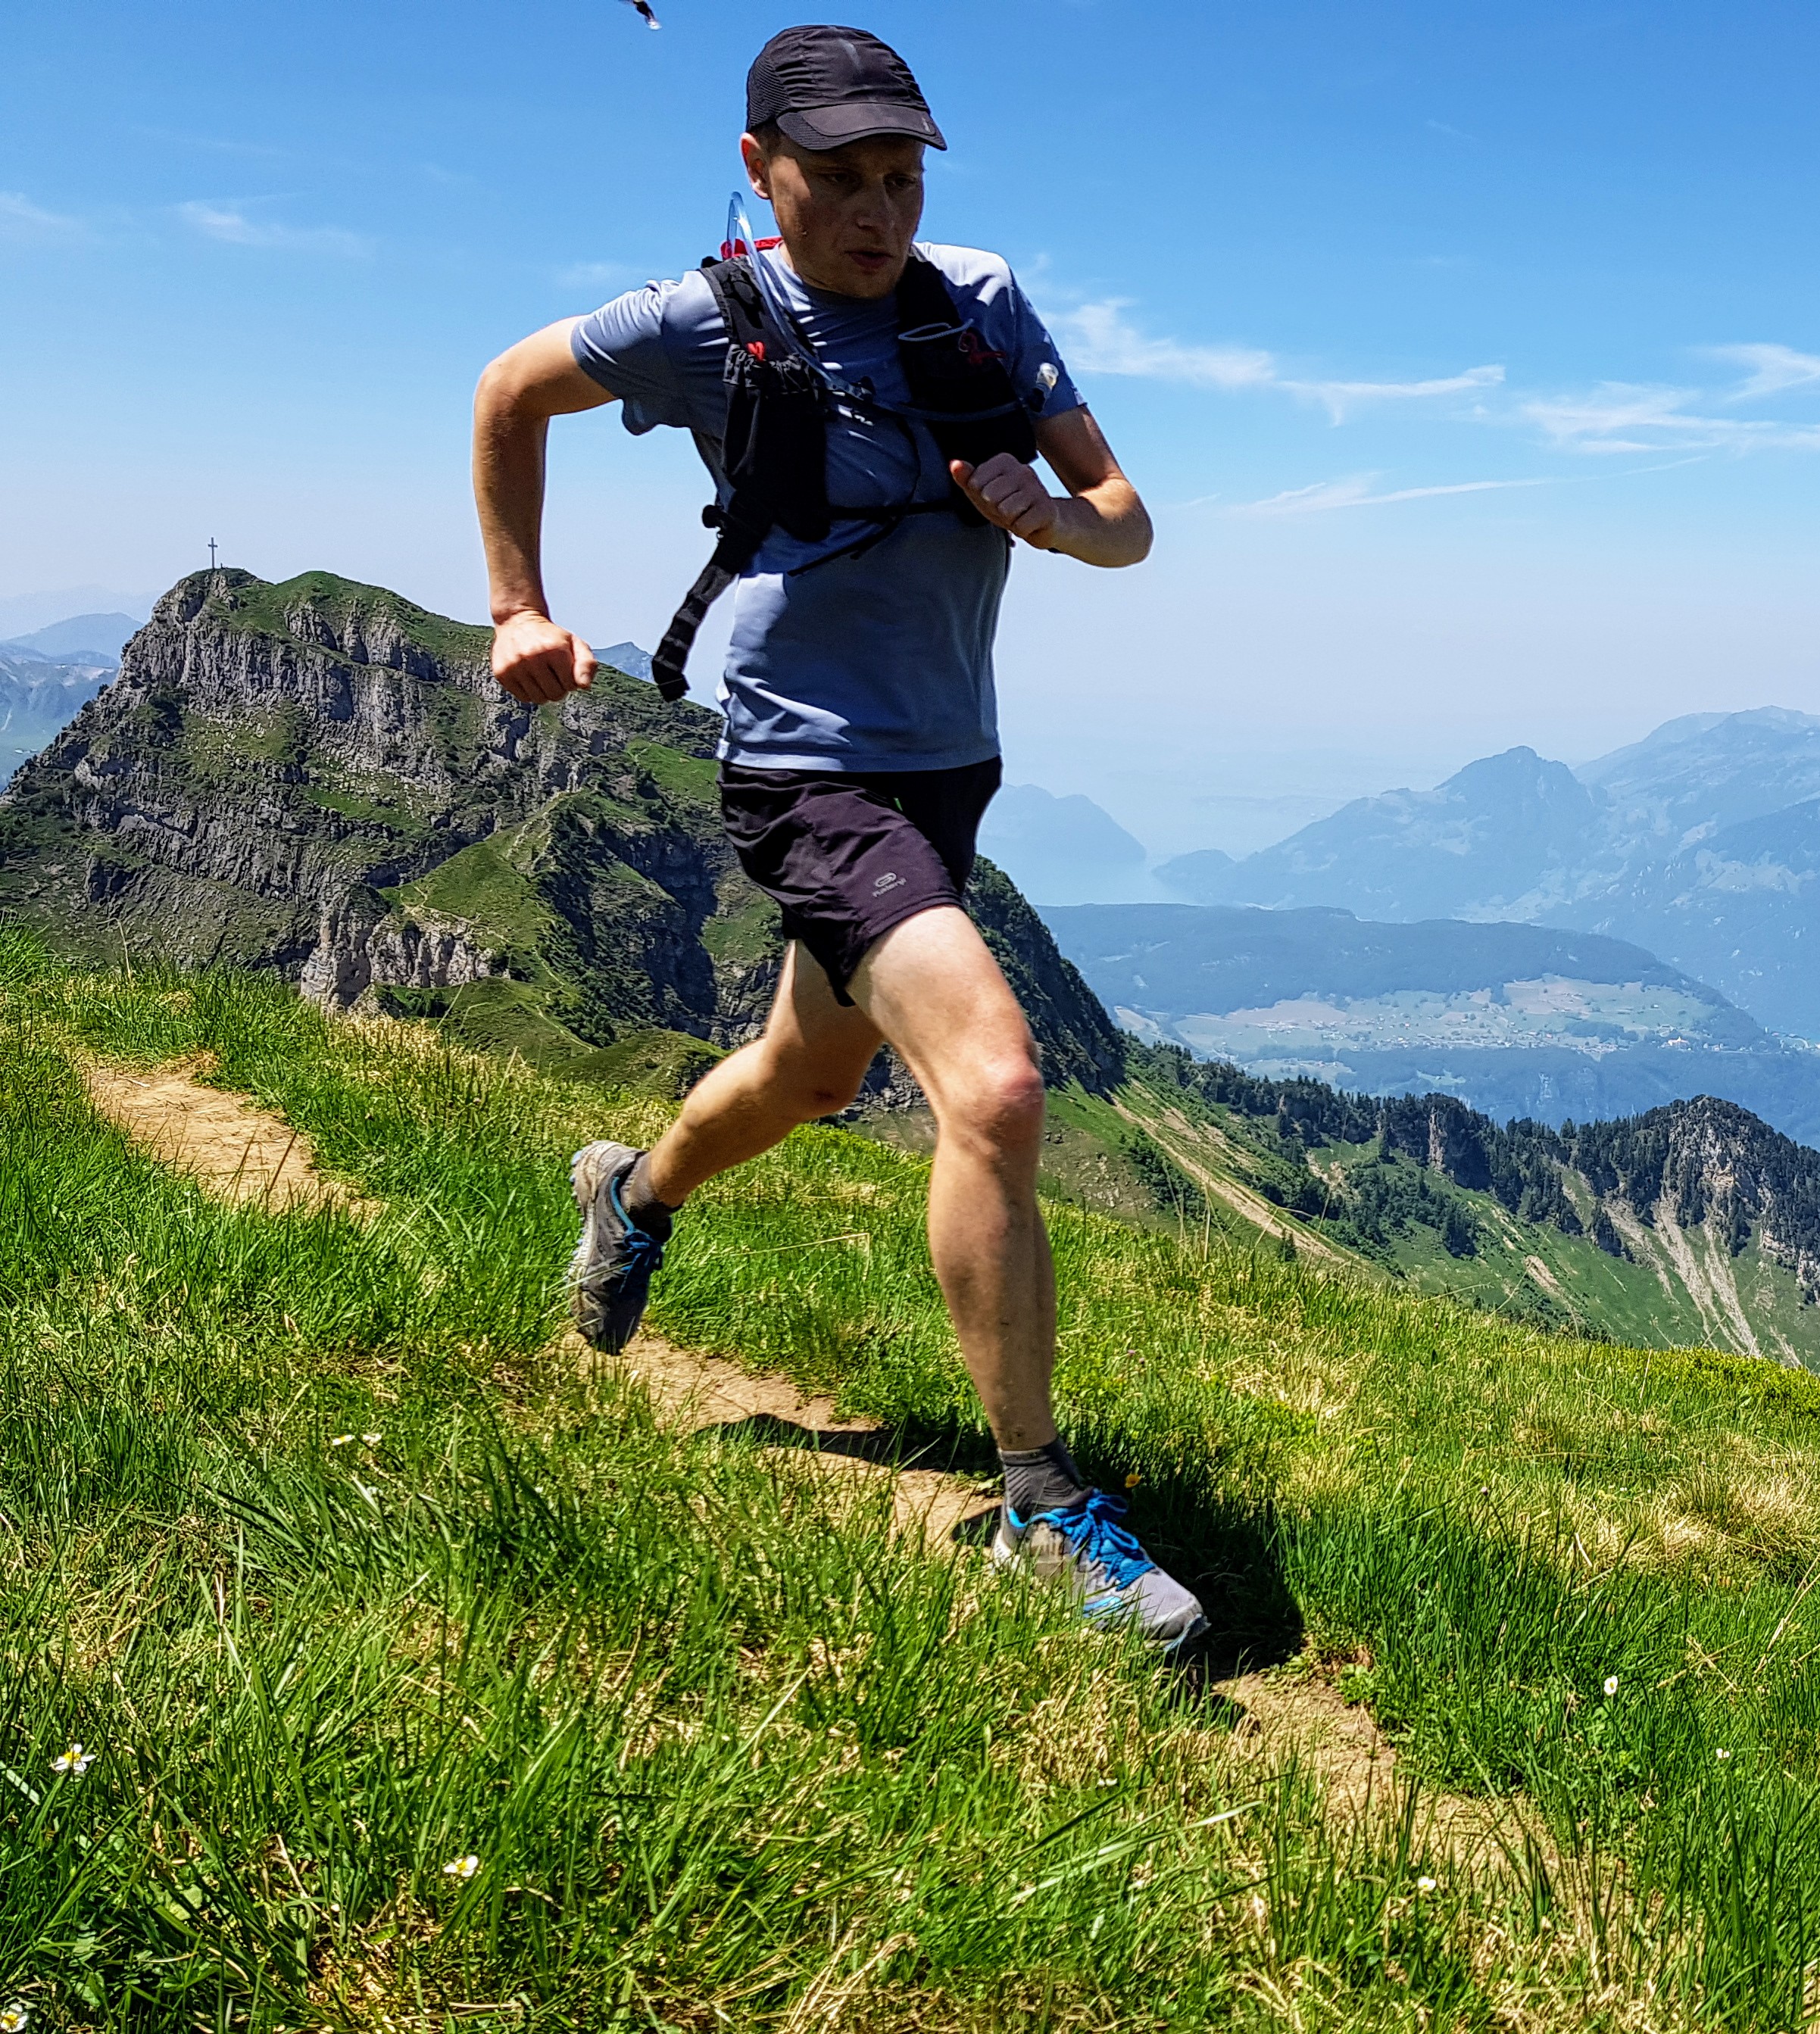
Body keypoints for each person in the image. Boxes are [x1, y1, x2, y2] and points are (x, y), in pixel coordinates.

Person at [467, 23, 1203, 1651]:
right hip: (805, 767)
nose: (879, 212)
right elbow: (510, 389)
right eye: (842, 179)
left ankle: (631, 1194)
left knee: (809, 1074)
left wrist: (1054, 519)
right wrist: (518, 604)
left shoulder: (980, 301)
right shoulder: (705, 319)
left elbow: (1130, 524)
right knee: (994, 1084)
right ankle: (1040, 1511)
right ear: (760, 169)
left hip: (948, 764)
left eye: (902, 178)